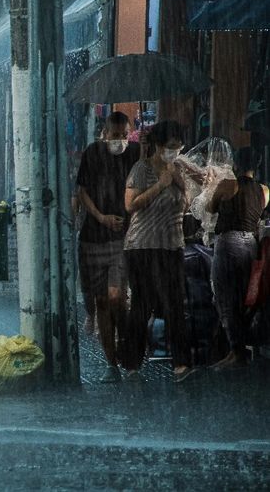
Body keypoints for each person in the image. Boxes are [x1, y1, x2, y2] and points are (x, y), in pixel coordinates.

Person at [123, 121, 196, 382]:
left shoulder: (178, 169)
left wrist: (181, 184)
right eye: (170, 146)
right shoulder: (141, 169)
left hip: (172, 245)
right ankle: (132, 363)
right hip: (143, 246)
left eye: (178, 146)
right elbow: (131, 205)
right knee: (143, 305)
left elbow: (185, 206)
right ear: (158, 145)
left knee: (175, 304)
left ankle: (181, 364)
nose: (174, 151)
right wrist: (160, 185)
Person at [75, 111, 140, 382]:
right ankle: (111, 363)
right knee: (102, 301)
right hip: (93, 236)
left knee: (117, 297)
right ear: (105, 134)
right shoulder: (92, 153)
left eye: (124, 135)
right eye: (115, 136)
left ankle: (128, 348)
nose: (120, 141)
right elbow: (81, 191)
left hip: (123, 238)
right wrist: (101, 217)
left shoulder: (136, 152)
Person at [206, 147, 269, 370]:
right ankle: (240, 348)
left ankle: (236, 351)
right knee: (245, 297)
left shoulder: (228, 185)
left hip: (229, 243)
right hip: (250, 245)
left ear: (235, 164)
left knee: (226, 296)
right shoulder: (264, 190)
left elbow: (209, 208)